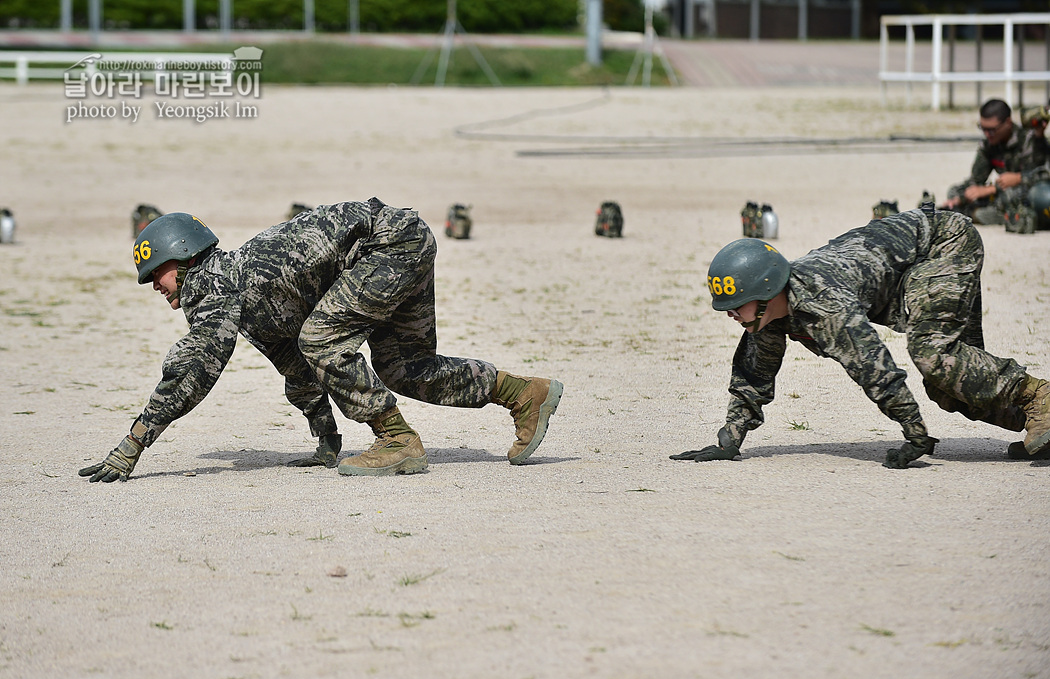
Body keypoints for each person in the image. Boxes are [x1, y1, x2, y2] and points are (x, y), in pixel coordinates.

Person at [80, 200, 564, 483]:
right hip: (403, 242)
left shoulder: (221, 288)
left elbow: (190, 371)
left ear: (182, 257)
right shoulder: (243, 294)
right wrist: (327, 440)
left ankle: (397, 440)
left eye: (155, 274)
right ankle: (523, 394)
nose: (154, 286)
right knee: (403, 367)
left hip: (389, 244)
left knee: (322, 337)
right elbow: (296, 368)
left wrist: (132, 445)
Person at [670, 206, 1050, 469]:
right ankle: (1041, 429)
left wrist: (915, 434)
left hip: (942, 243)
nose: (733, 314)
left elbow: (873, 367)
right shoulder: (768, 316)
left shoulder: (823, 302)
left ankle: (1042, 401)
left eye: (738, 305)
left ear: (767, 290)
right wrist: (729, 440)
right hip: (908, 264)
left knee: (934, 355)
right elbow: (754, 375)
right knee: (946, 387)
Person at [941, 99, 1050, 234]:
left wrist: (1018, 178)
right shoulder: (989, 144)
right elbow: (976, 181)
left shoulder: (1029, 139)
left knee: (1015, 195)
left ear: (1008, 123)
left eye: (992, 130)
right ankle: (972, 211)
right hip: (1001, 193)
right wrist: (961, 198)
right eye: (983, 128)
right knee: (955, 191)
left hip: (1031, 192)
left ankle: (983, 213)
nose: (987, 134)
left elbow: (1044, 175)